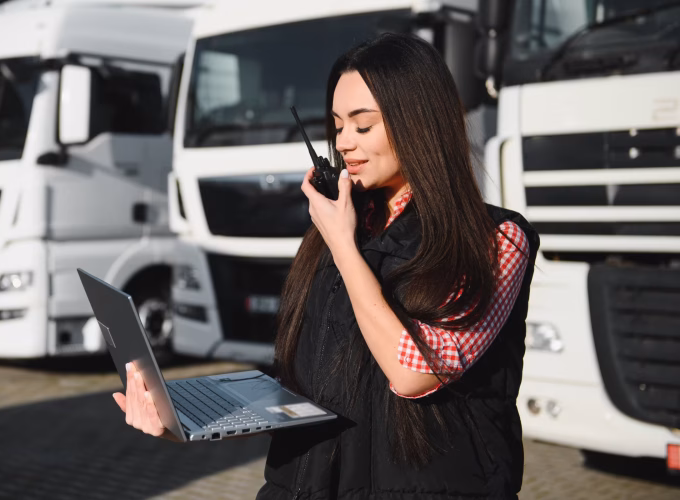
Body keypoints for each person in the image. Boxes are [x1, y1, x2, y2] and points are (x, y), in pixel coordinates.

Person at [113, 32, 539, 499]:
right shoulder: (339, 227)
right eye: (337, 126)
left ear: (419, 122)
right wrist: (189, 417)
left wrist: (343, 246)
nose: (345, 144)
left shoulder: (496, 239)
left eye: (363, 125)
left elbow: (416, 370)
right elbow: (301, 382)